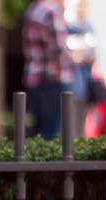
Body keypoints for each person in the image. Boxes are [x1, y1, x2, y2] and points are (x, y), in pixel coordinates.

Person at [23, 0, 76, 139]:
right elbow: (60, 48)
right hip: (53, 78)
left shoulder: (34, 9)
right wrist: (78, 54)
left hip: (33, 77)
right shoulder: (52, 10)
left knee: (35, 132)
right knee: (51, 133)